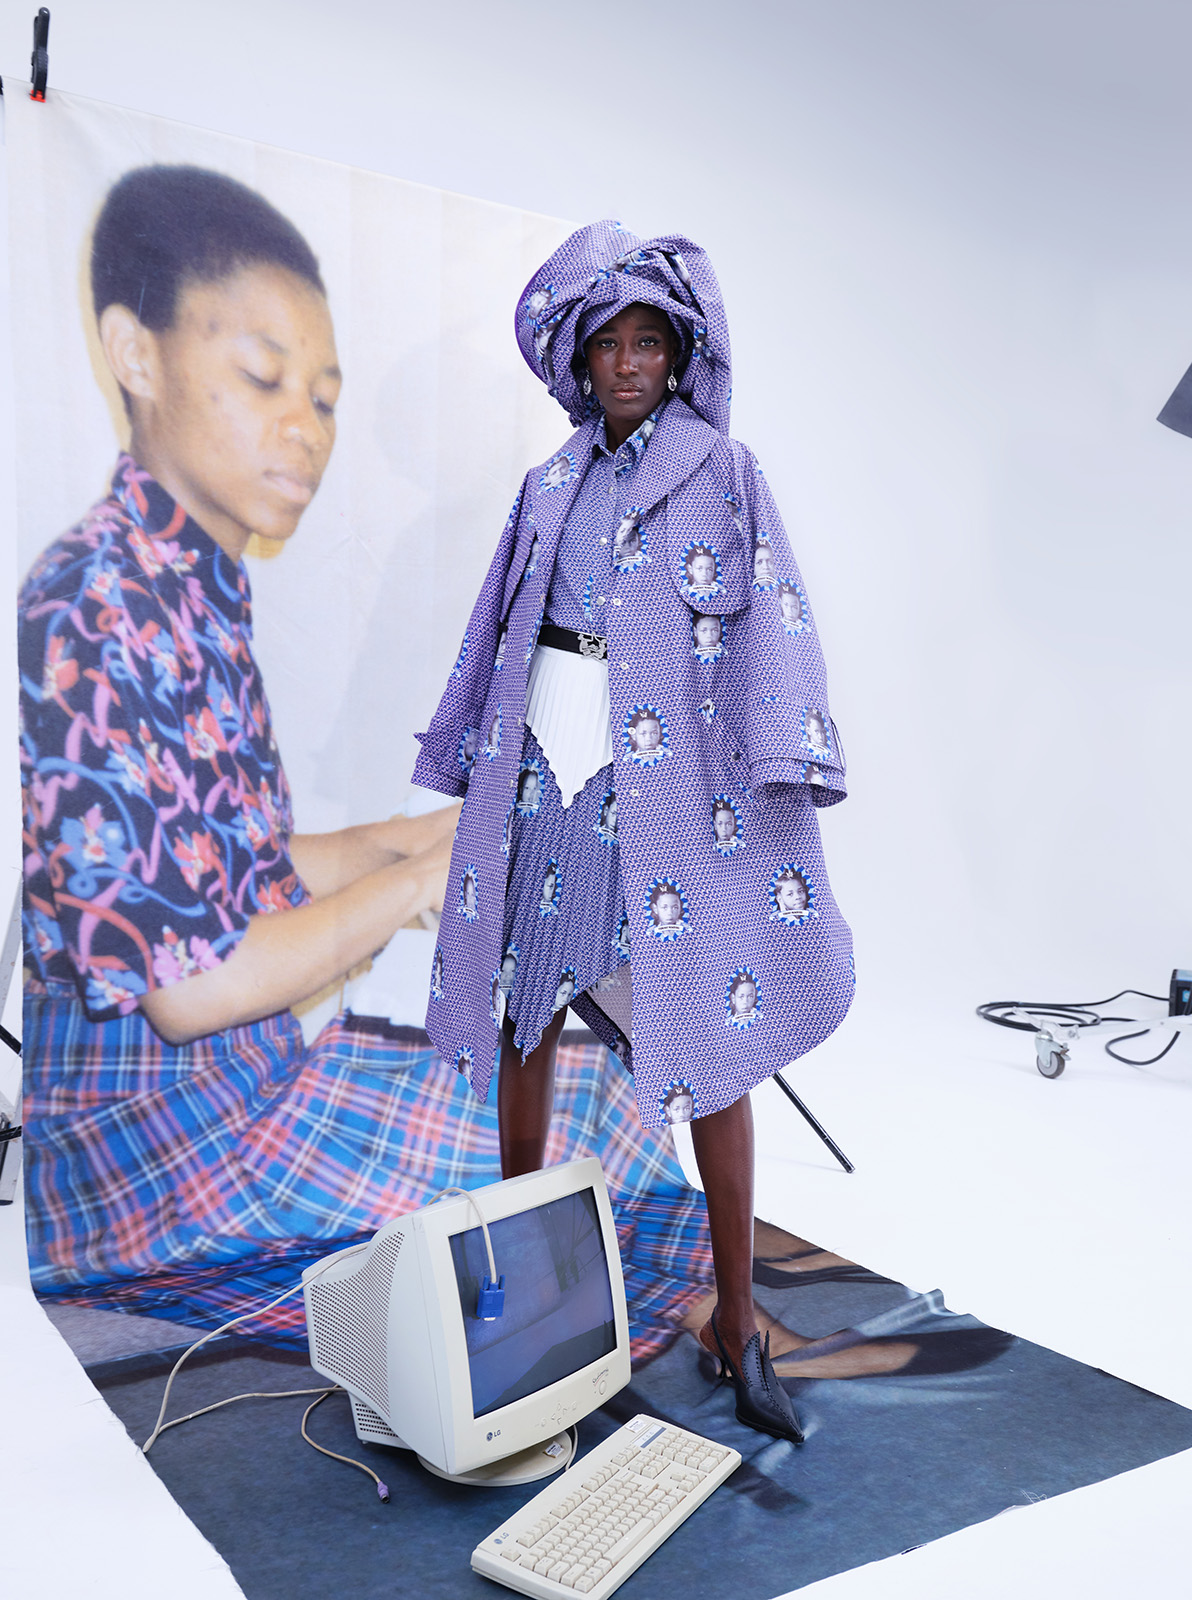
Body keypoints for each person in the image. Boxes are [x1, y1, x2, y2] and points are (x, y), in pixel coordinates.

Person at [413, 222, 856, 1444]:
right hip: (544, 766)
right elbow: (492, 628)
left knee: (710, 1035)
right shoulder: (547, 484)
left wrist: (784, 755)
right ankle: (513, 1296)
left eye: (648, 342)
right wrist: (465, 748)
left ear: (678, 354)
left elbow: (775, 614)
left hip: (664, 784)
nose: (627, 363)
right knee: (524, 1008)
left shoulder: (726, 471)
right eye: (609, 344)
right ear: (582, 359)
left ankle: (738, 1316)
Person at [19, 167, 461, 1304]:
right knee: (567, 1144)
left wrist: (422, 837)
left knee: (570, 1099)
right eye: (264, 378)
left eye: (320, 396)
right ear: (136, 352)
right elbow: (193, 984)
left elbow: (235, 874)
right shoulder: (93, 602)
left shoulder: (191, 577)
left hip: (244, 1091)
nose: (303, 430)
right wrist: (422, 884)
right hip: (163, 1167)